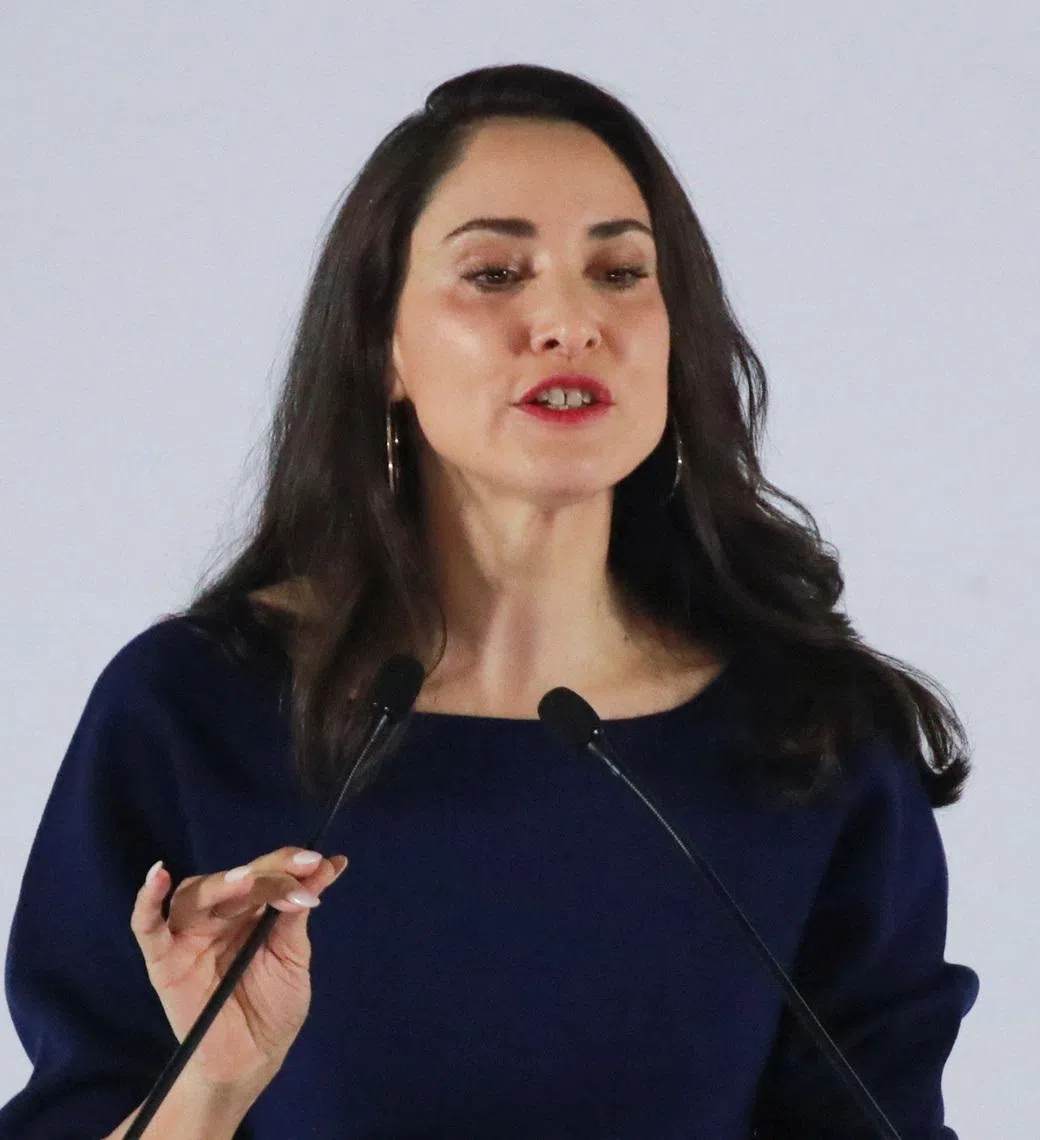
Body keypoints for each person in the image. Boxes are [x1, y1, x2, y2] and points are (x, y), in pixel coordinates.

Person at [0, 63, 979, 1139]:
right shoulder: (190, 711)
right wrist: (212, 1090)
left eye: (620, 272)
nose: (568, 320)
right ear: (386, 348)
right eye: (497, 274)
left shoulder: (813, 739)